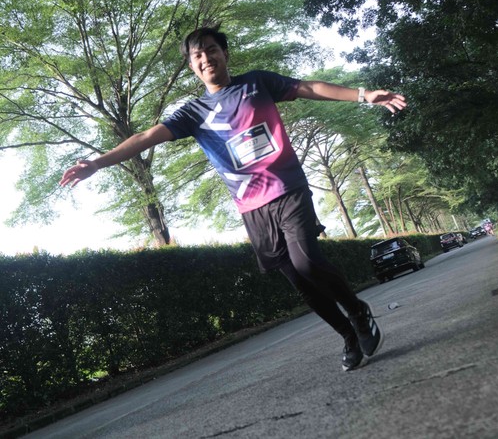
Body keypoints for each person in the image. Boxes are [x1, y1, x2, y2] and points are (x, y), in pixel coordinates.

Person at [60, 27, 407, 371]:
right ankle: (347, 335)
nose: (206, 58)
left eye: (211, 50)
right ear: (192, 66)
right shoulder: (193, 112)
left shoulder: (256, 83)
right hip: (251, 207)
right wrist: (98, 163)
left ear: (225, 53)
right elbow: (146, 136)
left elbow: (307, 87)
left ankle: (357, 311)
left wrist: (362, 94)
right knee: (300, 283)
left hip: (287, 188)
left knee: (306, 262)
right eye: (197, 55)